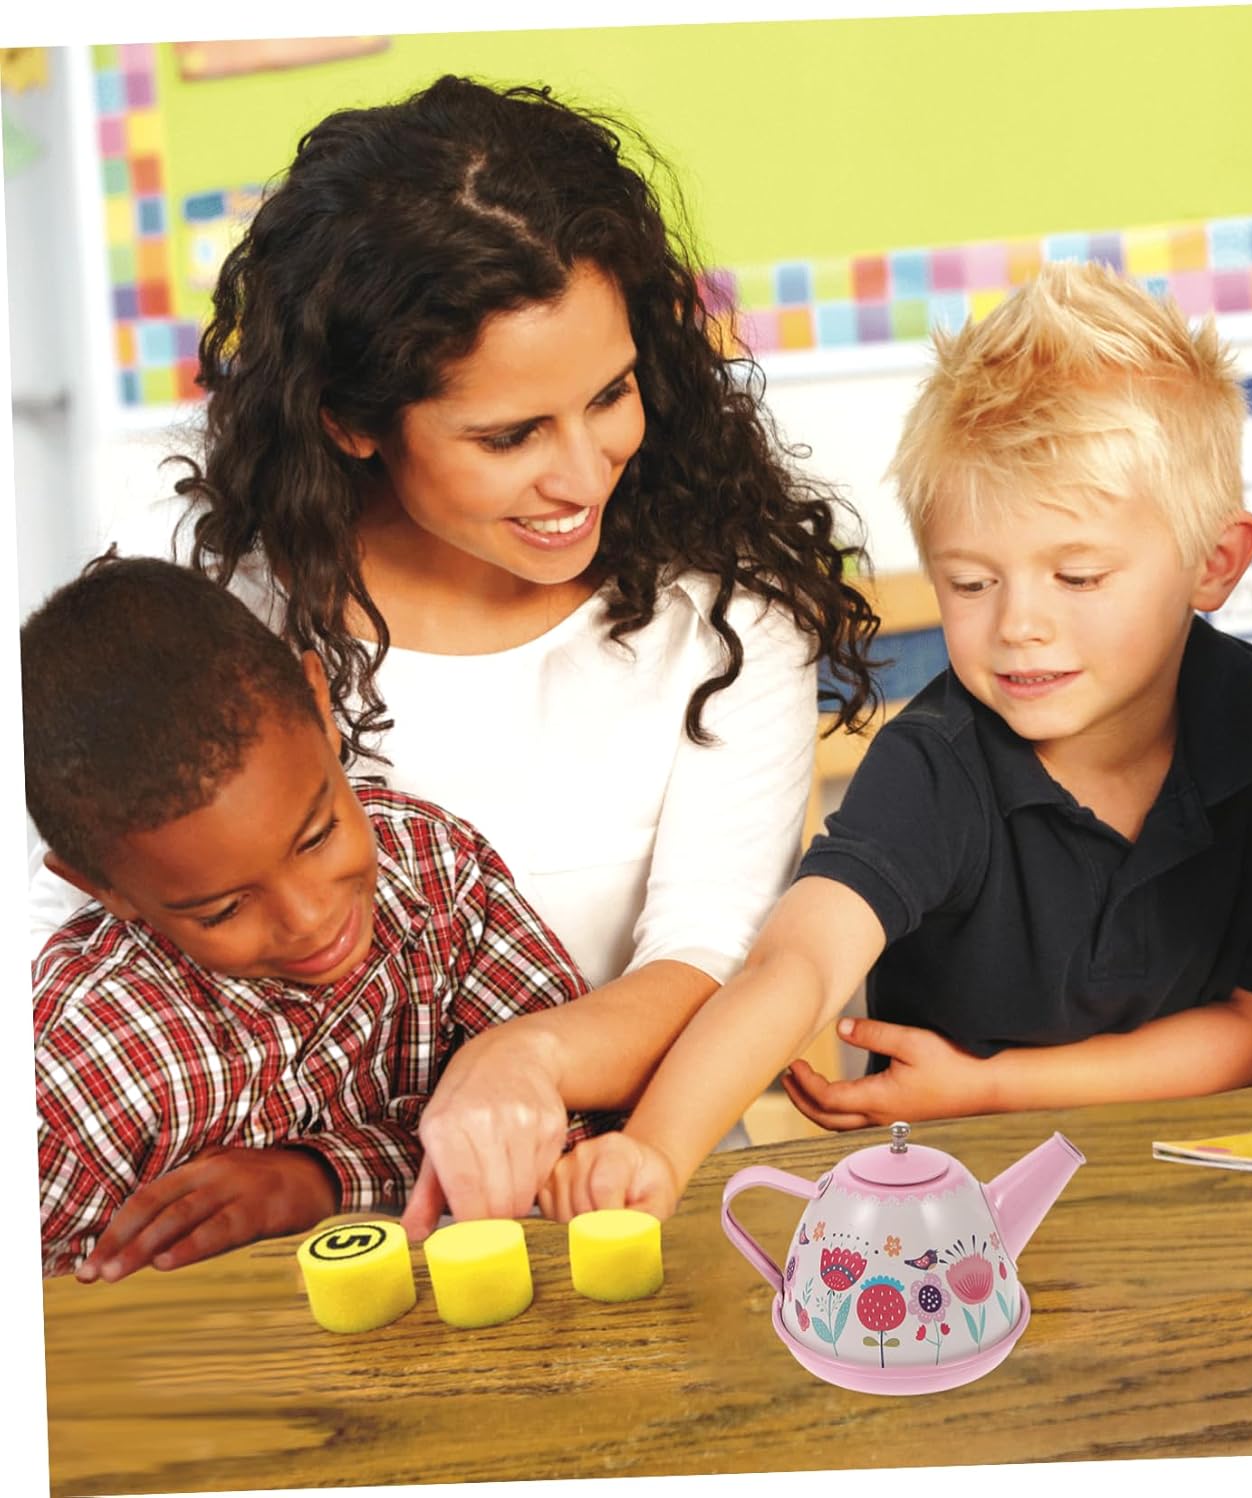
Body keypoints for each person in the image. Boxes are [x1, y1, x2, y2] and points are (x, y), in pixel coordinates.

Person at [26, 76, 879, 1223]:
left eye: (611, 394)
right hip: (288, 1242)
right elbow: (95, 963)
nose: (582, 475)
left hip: (606, 1206)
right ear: (351, 419)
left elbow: (713, 957)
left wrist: (521, 1057)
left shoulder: (723, 620)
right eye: (509, 435)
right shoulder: (236, 633)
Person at [537, 261, 1252, 1222]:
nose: (1019, 626)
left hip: (1206, 1194)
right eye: (971, 584)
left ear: (1213, 562)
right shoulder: (936, 766)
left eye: (1079, 577)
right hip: (955, 1216)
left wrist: (990, 1084)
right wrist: (653, 1147)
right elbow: (797, 965)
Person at [25, 556, 618, 1280]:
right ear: (101, 888)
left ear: (319, 705)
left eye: (317, 837)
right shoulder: (74, 1079)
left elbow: (581, 1125)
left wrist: (323, 1178)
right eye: (224, 909)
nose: (308, 918)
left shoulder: (439, 874)